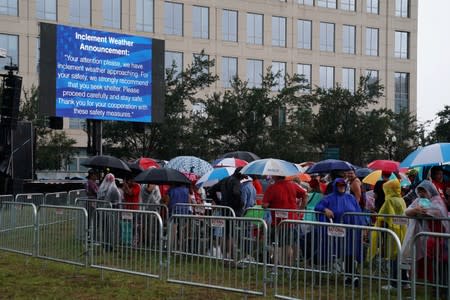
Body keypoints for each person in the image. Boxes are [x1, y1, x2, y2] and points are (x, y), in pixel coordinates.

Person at [401, 180, 449, 297]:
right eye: (420, 191)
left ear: (430, 190)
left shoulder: (437, 201)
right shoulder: (418, 201)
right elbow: (406, 212)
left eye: (424, 191)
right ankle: (435, 288)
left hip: (440, 239)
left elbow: (437, 212)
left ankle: (444, 289)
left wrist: (422, 211)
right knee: (433, 266)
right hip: (426, 240)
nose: (422, 194)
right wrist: (414, 210)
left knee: (442, 265)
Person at [315, 178, 365, 287]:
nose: (341, 187)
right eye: (339, 185)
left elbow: (359, 212)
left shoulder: (351, 198)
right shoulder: (329, 198)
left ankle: (352, 276)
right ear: (335, 186)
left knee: (350, 252)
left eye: (343, 185)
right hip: (336, 232)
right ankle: (349, 275)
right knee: (342, 252)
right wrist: (325, 210)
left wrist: (363, 227)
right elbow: (318, 206)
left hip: (351, 231)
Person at [369, 179, 408, 291]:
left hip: (391, 232)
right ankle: (404, 281)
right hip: (402, 231)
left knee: (393, 257)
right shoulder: (401, 200)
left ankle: (394, 283)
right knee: (401, 257)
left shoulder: (389, 201)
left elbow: (384, 217)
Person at [262, 175, 307, 266]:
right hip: (292, 221)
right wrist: (301, 209)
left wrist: (268, 204)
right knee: (288, 245)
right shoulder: (293, 185)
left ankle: (279, 266)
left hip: (278, 222)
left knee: (277, 245)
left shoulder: (272, 188)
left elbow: (265, 205)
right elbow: (305, 195)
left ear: (275, 177)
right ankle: (288, 267)